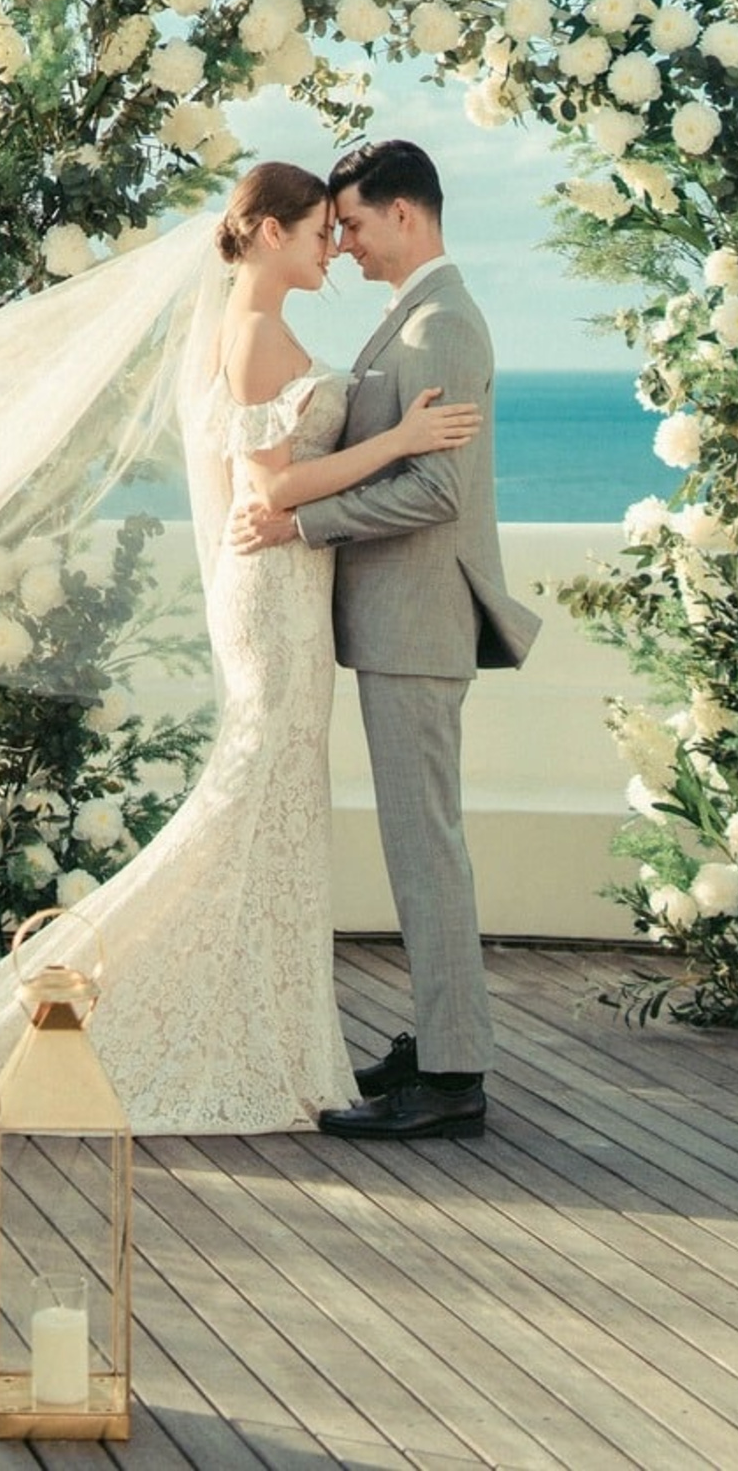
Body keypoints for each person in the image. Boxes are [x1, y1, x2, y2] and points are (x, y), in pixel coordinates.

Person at [0, 159, 484, 1138]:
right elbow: (272, 491)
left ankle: (282, 1032)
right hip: (274, 597)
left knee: (275, 817)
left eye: (342, 227)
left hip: (290, 591)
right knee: (248, 807)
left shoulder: (270, 331)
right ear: (272, 234)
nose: (335, 244)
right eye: (323, 228)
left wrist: (362, 460)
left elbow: (284, 481)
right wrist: (400, 439)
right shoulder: (248, 337)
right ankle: (144, 1012)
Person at [230, 138, 539, 1142]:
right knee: (422, 842)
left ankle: (453, 1075)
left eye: (354, 224)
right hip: (400, 622)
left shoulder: (441, 325)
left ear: (406, 215)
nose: (347, 245)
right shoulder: (411, 320)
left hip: (420, 622)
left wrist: (300, 523)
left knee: (425, 847)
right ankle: (441, 1039)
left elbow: (435, 489)